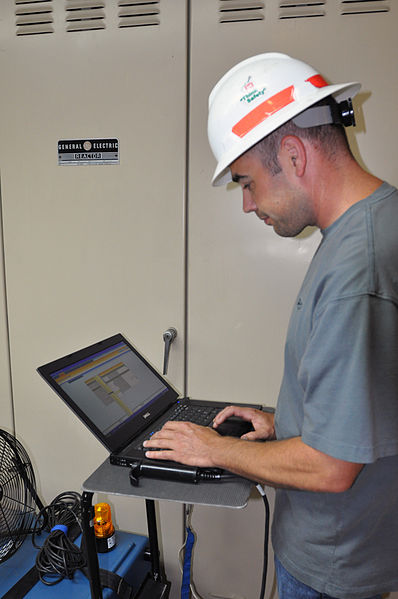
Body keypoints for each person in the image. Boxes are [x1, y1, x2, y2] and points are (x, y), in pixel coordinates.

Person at [144, 53, 398, 599]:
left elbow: (333, 467)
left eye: (247, 182)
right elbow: (367, 403)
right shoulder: (372, 227)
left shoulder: (359, 266)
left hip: (333, 565)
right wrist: (282, 423)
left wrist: (215, 448)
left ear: (292, 153)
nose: (245, 204)